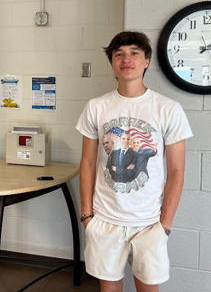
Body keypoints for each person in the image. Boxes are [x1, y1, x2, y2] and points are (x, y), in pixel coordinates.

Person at [77, 31, 193, 292]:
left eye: (134, 53)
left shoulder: (168, 109)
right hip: (105, 219)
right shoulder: (96, 107)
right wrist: (87, 216)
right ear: (112, 63)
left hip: (149, 222)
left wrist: (164, 226)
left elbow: (176, 172)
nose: (126, 58)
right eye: (119, 54)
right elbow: (86, 162)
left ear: (147, 61)